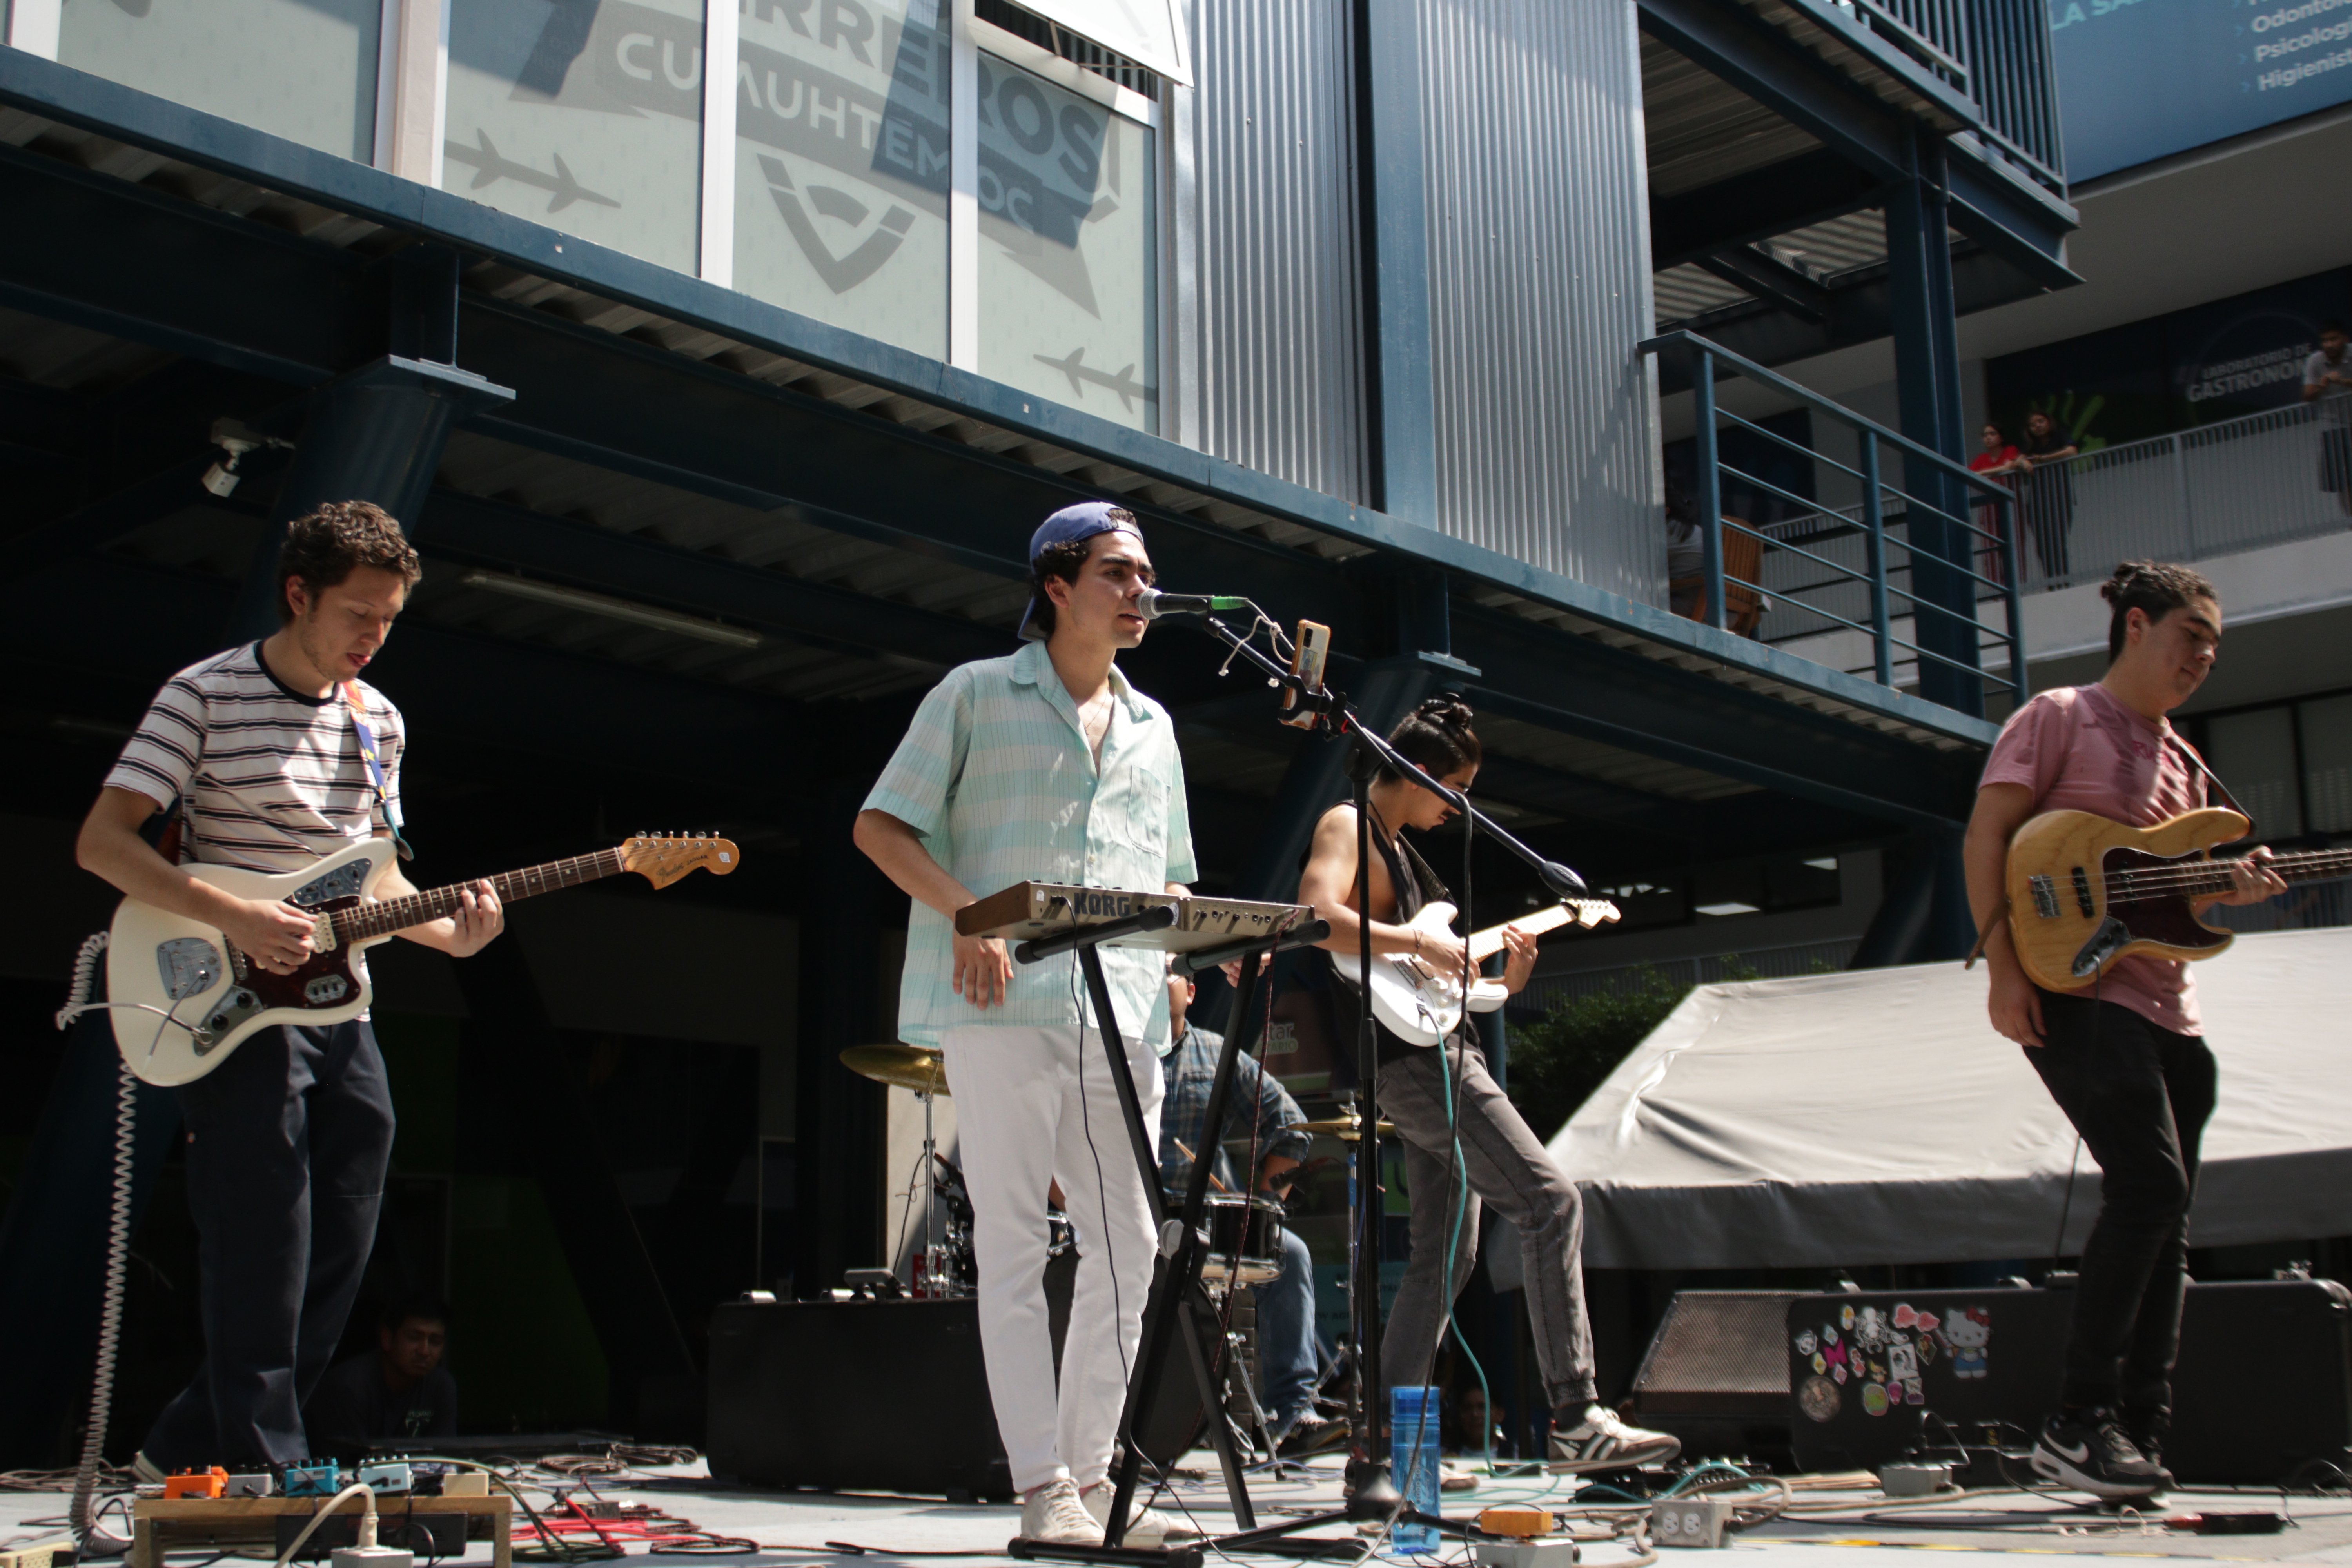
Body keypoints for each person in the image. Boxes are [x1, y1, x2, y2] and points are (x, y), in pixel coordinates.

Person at [75, 501, 505, 1474]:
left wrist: (455, 936)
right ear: (297, 594)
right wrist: (233, 917)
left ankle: (192, 1438)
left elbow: (381, 879)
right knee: (263, 1229)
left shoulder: (379, 720)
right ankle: (266, 1463)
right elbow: (102, 843)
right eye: (357, 612)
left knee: (347, 1223)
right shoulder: (202, 695)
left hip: (338, 999)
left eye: (390, 617)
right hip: (233, 999)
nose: (373, 636)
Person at [854, 502, 1200, 1549]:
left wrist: (1179, 965)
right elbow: (878, 823)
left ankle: (1092, 1484)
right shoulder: (974, 691)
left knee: (1131, 1247)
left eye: (1145, 576)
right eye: (1118, 573)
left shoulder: (1156, 726)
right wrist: (965, 910)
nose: (1141, 592)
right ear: (1056, 583)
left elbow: (1174, 871)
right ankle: (1041, 1485)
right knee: (1009, 1244)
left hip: (1125, 1005)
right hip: (1002, 1006)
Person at [1962, 561, 2285, 1499]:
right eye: (2192, 636)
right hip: (2077, 991)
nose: (2205, 658)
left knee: (2167, 1217)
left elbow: (2167, 893)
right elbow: (1988, 838)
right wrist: (2003, 966)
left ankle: (2138, 1430)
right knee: (2149, 1187)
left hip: (2170, 1006)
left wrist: (2231, 886)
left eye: (2215, 646)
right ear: (2136, 626)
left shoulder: (2188, 761)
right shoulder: (2057, 715)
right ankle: (2076, 1421)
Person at [1295, 697, 1680, 1475]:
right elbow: (1314, 912)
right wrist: (1418, 943)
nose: (1457, 808)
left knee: (1446, 1257)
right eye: (1456, 789)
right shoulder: (1350, 824)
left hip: (1427, 1050)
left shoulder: (1405, 852)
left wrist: (1502, 979)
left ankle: (1387, 1450)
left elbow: (1425, 977)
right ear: (1422, 773)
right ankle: (1575, 1413)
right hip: (1422, 1067)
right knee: (1550, 1201)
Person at [1153, 963, 1339, 1454]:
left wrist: (1263, 1207)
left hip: (1204, 1222)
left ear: (1192, 991)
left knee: (1291, 1253)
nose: (1156, 979)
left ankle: (1294, 1413)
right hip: (1133, 1219)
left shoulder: (1215, 1054)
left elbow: (1292, 1127)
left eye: (1169, 972)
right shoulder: (1113, 1055)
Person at [303, 1294, 458, 1460]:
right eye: (414, 1338)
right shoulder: (350, 1385)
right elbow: (347, 1465)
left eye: (435, 1341)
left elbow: (443, 1460)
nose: (424, 1351)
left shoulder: (441, 1385)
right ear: (387, 1338)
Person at [2016, 410, 2081, 582]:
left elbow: (2072, 451)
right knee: (2042, 545)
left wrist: (2043, 459)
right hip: (2038, 499)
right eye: (2033, 424)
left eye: (2041, 421)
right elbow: (2019, 460)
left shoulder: (2059, 435)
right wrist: (2025, 462)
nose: (2038, 426)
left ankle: (2063, 580)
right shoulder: (2031, 446)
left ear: (2048, 422)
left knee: (2057, 542)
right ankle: (2051, 581)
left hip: (2059, 494)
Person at [2303, 320, 2352, 517]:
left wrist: (2341, 381)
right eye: (2325, 341)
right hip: (2333, 427)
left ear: (2345, 339)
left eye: (2334, 339)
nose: (2329, 345)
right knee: (2343, 481)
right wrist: (2321, 387)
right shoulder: (2315, 361)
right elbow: (2307, 395)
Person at [1968, 423, 2027, 584]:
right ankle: (1996, 589)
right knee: (1991, 552)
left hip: (2011, 509)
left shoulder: (2010, 451)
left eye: (1992, 434)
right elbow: (1969, 475)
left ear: (2001, 437)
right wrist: (1994, 470)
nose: (1988, 438)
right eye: (1985, 435)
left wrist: (1984, 473)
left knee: (2015, 549)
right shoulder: (1981, 459)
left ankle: (2018, 584)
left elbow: (2007, 467)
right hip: (1989, 511)